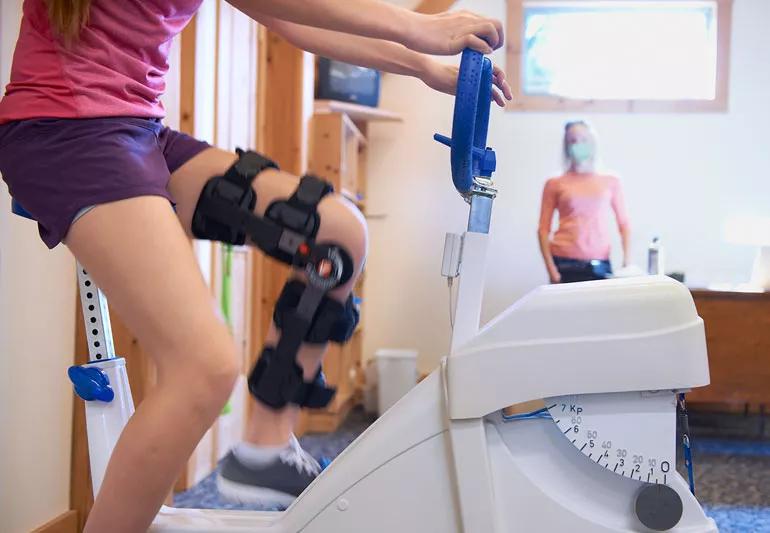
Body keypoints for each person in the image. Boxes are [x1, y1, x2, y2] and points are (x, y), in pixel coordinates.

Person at [0, 1, 512, 531]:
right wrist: (420, 28)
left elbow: (291, 20)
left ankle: (264, 450)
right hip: (61, 133)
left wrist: (420, 63)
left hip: (137, 132)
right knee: (204, 368)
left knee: (337, 234)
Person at [537, 120, 630, 284]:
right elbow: (543, 230)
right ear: (567, 146)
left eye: (583, 139)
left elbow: (624, 224)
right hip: (564, 263)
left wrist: (626, 262)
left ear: (592, 142)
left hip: (600, 263)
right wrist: (552, 271)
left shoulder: (611, 181)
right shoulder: (554, 183)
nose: (578, 144)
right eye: (573, 140)